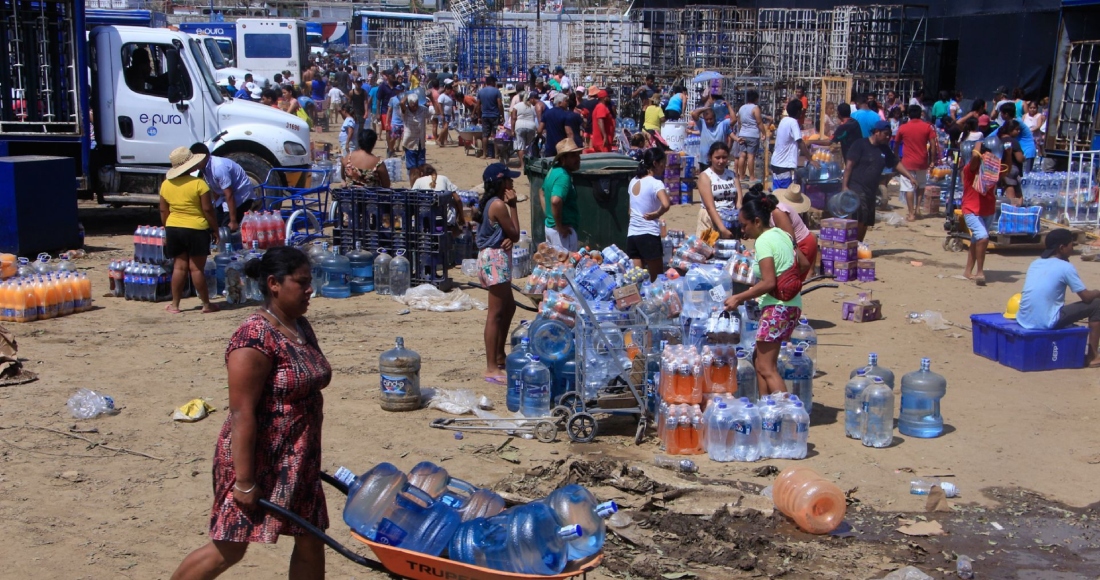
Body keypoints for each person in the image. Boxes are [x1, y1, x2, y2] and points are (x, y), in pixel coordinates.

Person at [170, 247, 331, 579]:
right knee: (230, 545)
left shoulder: (299, 326)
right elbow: (242, 413)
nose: (309, 289)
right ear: (273, 283)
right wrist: (244, 481)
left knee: (310, 536)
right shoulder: (254, 337)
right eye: (301, 282)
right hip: (257, 458)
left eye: (309, 281)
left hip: (299, 458)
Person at [723, 189, 807, 397]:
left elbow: (769, 282)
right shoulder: (783, 234)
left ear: (757, 221)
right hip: (790, 305)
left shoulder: (763, 241)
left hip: (777, 309)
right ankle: (766, 411)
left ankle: (787, 414)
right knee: (760, 364)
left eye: (745, 225)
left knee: (767, 369)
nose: (743, 231)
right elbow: (803, 263)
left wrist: (738, 297)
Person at [1017, 228, 1100, 366]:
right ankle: (1093, 356)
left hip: (1024, 319)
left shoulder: (1035, 263)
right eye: (1071, 245)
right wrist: (1097, 292)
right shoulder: (1066, 267)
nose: (1073, 248)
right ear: (1062, 248)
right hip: (1046, 322)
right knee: (1097, 304)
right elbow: (1086, 297)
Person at [475, 163, 521, 384]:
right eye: (509, 180)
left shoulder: (491, 204)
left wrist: (508, 238)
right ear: (501, 183)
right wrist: (514, 206)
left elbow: (508, 235)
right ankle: (491, 367)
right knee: (495, 314)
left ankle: (500, 355)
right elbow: (515, 234)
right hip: (494, 260)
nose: (512, 183)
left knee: (509, 306)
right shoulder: (499, 206)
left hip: (494, 258)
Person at [158, 147, 219, 314]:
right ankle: (206, 304)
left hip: (174, 228)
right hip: (196, 228)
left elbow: (164, 210)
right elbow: (208, 210)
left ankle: (175, 305)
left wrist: (167, 228)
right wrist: (215, 230)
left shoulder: (166, 184)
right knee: (196, 269)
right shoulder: (199, 184)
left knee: (179, 267)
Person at [842, 120, 917, 242]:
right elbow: (849, 165)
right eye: (885, 134)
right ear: (877, 132)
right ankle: (853, 245)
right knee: (859, 218)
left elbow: (896, 163)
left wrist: (910, 177)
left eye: (889, 134)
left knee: (866, 221)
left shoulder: (884, 149)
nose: (888, 137)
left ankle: (859, 245)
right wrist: (845, 186)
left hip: (871, 190)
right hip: (857, 187)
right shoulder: (860, 144)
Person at [189, 144, 255, 232]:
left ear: (206, 156)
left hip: (240, 197)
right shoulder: (204, 167)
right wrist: (216, 208)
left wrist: (233, 221)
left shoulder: (218, 168)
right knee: (214, 224)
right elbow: (215, 188)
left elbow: (229, 194)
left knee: (225, 230)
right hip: (224, 197)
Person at [628, 148, 672, 281]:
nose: (664, 167)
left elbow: (629, 211)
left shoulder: (633, 181)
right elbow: (666, 204)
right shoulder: (655, 183)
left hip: (632, 235)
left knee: (638, 281)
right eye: (663, 163)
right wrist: (656, 214)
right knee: (657, 279)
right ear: (655, 163)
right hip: (649, 235)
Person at [893, 104, 939, 221]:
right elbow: (933, 145)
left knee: (909, 188)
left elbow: (896, 143)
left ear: (909, 115)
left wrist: (896, 157)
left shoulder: (903, 127)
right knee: (921, 185)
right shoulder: (927, 127)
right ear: (920, 114)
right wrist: (932, 160)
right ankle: (918, 209)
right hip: (922, 161)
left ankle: (911, 213)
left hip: (907, 162)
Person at [960, 142, 996, 284]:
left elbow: (1007, 170)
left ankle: (968, 271)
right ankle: (980, 272)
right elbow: (975, 158)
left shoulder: (992, 170)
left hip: (988, 210)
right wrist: (979, 144)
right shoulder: (970, 169)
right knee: (982, 238)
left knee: (976, 240)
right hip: (971, 209)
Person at [543, 138, 584, 251]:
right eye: (573, 156)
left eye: (578, 154)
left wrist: (548, 214)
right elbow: (555, 201)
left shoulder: (553, 170)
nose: (578, 159)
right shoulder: (563, 176)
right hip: (561, 233)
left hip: (552, 228)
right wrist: (560, 227)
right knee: (566, 267)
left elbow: (541, 192)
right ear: (563, 159)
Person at [771, 184, 817, 280]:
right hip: (805, 243)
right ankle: (810, 272)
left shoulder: (781, 212)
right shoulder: (789, 212)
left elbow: (790, 239)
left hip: (800, 246)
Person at [696, 142, 741, 239]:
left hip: (730, 219)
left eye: (724, 157)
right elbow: (710, 207)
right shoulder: (705, 176)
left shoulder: (733, 175)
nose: (721, 161)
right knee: (707, 251)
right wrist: (722, 229)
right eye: (717, 157)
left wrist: (742, 225)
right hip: (710, 218)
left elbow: (739, 204)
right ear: (710, 158)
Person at [771, 100, 815, 190]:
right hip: (783, 165)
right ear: (799, 111)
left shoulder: (784, 120)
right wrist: (810, 159)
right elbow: (800, 142)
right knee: (785, 195)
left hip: (776, 162)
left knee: (777, 194)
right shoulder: (793, 122)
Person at [690, 98, 733, 174]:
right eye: (707, 119)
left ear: (715, 118)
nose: (709, 121)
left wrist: (729, 106)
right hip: (704, 160)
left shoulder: (722, 124)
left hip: (719, 160)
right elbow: (694, 114)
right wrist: (707, 107)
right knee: (705, 181)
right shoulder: (702, 124)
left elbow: (734, 120)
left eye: (711, 119)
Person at [401, 93, 431, 183]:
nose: (415, 107)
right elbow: (401, 103)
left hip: (420, 142)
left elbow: (435, 113)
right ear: (409, 104)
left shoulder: (422, 109)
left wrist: (432, 99)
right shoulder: (405, 111)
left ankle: (420, 185)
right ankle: (413, 185)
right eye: (413, 105)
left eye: (416, 104)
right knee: (412, 167)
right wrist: (409, 93)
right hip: (410, 143)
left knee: (421, 166)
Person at [735, 89, 765, 181]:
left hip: (742, 133)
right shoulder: (755, 108)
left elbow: (739, 122)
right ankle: (752, 176)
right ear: (756, 99)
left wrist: (740, 132)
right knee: (751, 156)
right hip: (753, 134)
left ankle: (741, 176)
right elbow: (759, 122)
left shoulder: (741, 108)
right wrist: (763, 133)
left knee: (742, 155)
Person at [540, 94, 577, 158]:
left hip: (550, 147)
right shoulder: (565, 115)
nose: (567, 103)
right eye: (566, 101)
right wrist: (572, 148)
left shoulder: (546, 113)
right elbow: (569, 133)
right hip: (562, 148)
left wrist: (543, 137)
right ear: (560, 103)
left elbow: (539, 130)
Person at [477, 76, 505, 159]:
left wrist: (479, 116)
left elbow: (478, 105)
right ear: (492, 82)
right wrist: (502, 115)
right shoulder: (496, 91)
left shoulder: (481, 92)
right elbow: (500, 104)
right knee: (495, 135)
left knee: (485, 135)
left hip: (485, 115)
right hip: (494, 115)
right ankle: (496, 154)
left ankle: (484, 154)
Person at [510, 91, 542, 160]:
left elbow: (513, 118)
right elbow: (537, 117)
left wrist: (512, 130)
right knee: (529, 146)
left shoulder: (516, 106)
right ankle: (530, 163)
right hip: (531, 126)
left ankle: (522, 165)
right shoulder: (533, 106)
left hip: (519, 126)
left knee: (521, 146)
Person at [437, 82, 456, 147]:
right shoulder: (442, 96)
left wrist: (453, 114)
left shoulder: (450, 96)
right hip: (444, 113)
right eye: (450, 90)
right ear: (446, 89)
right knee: (445, 127)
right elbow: (440, 105)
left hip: (448, 114)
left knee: (445, 128)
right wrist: (442, 114)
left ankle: (442, 141)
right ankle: (439, 139)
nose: (450, 91)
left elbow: (451, 106)